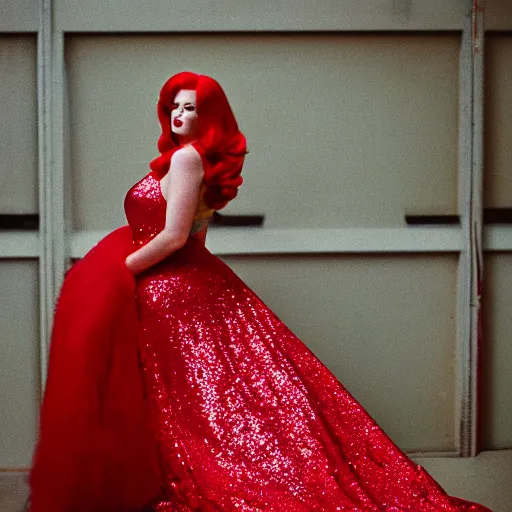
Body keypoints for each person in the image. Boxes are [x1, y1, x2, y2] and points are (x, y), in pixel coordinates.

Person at [29, 72, 491, 512]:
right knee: (185, 397)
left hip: (169, 294)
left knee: (190, 401)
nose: (178, 114)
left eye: (190, 108)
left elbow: (173, 239)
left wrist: (113, 274)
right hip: (175, 291)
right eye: (174, 106)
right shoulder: (184, 160)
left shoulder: (189, 159)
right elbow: (196, 240)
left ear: (208, 117)